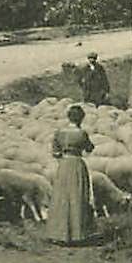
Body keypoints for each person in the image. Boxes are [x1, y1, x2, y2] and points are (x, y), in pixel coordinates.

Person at [47, 104, 97, 245]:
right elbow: (89, 148)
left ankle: (58, 233)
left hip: (63, 165)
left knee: (61, 196)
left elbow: (55, 152)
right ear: (81, 118)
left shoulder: (59, 132)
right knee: (77, 196)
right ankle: (77, 234)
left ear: (68, 116)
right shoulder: (81, 133)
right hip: (77, 165)